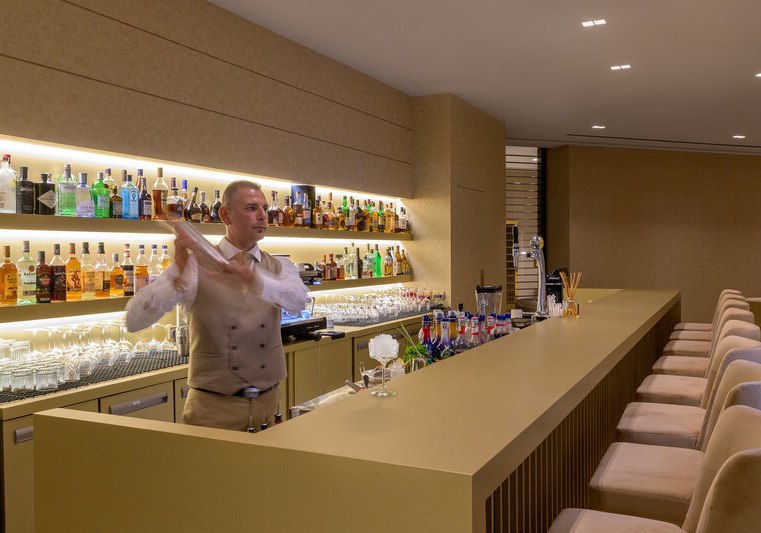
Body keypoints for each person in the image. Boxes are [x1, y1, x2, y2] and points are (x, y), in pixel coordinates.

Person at [126, 180, 308, 431]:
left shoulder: (279, 266)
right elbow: (134, 321)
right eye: (251, 208)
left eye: (264, 208)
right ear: (225, 215)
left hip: (269, 404)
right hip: (212, 410)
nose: (262, 216)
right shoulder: (194, 265)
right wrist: (177, 275)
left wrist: (254, 279)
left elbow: (298, 301)